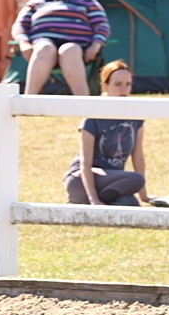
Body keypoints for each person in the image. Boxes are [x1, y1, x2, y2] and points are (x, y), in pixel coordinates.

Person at [11, 0, 109, 95]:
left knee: (69, 50)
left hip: (77, 48)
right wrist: (24, 44)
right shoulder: (37, 1)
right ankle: (29, 100)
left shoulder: (86, 0)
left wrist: (95, 46)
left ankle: (85, 105)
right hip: (42, 46)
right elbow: (20, 25)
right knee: (44, 48)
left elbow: (102, 25)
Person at [63, 60, 151, 206]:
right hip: (81, 181)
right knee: (136, 179)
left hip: (113, 182)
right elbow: (86, 162)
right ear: (105, 85)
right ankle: (89, 202)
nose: (123, 89)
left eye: (128, 84)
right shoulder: (92, 117)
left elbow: (138, 157)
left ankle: (87, 207)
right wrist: (94, 200)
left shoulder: (135, 117)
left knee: (130, 203)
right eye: (117, 84)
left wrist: (144, 196)